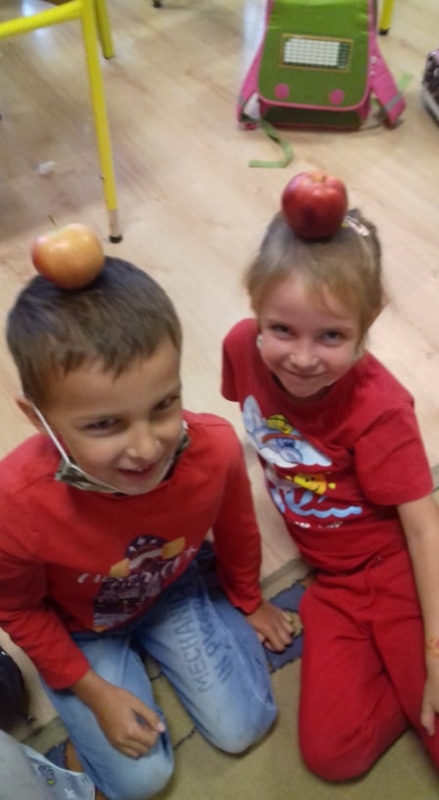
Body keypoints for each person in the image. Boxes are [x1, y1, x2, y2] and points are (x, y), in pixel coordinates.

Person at [0, 257, 294, 800]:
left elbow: (237, 531)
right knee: (142, 781)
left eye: (163, 405)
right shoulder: (13, 505)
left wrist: (250, 601)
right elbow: (18, 609)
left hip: (169, 589)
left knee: (246, 726)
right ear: (38, 418)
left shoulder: (215, 449)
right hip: (79, 627)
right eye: (104, 424)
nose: (145, 448)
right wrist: (93, 691)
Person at [221, 207, 439, 780]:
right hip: (335, 584)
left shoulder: (380, 409)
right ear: (255, 303)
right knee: (332, 755)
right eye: (282, 329)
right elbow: (247, 437)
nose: (301, 357)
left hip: (398, 568)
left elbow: (424, 529)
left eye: (332, 335)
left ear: (370, 318)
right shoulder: (241, 346)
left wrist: (432, 654)